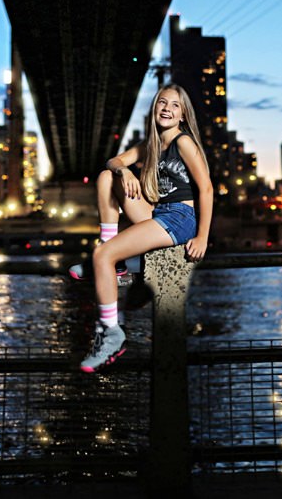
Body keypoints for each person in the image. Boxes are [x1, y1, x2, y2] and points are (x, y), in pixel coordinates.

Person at [77, 84, 213, 372]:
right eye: (162, 102)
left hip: (179, 218)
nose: (167, 108)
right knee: (105, 177)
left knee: (102, 256)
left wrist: (203, 236)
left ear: (183, 115)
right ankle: (112, 256)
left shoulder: (183, 142)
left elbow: (207, 189)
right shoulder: (151, 145)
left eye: (175, 105)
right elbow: (113, 161)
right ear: (154, 108)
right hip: (158, 212)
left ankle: (112, 333)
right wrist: (124, 170)